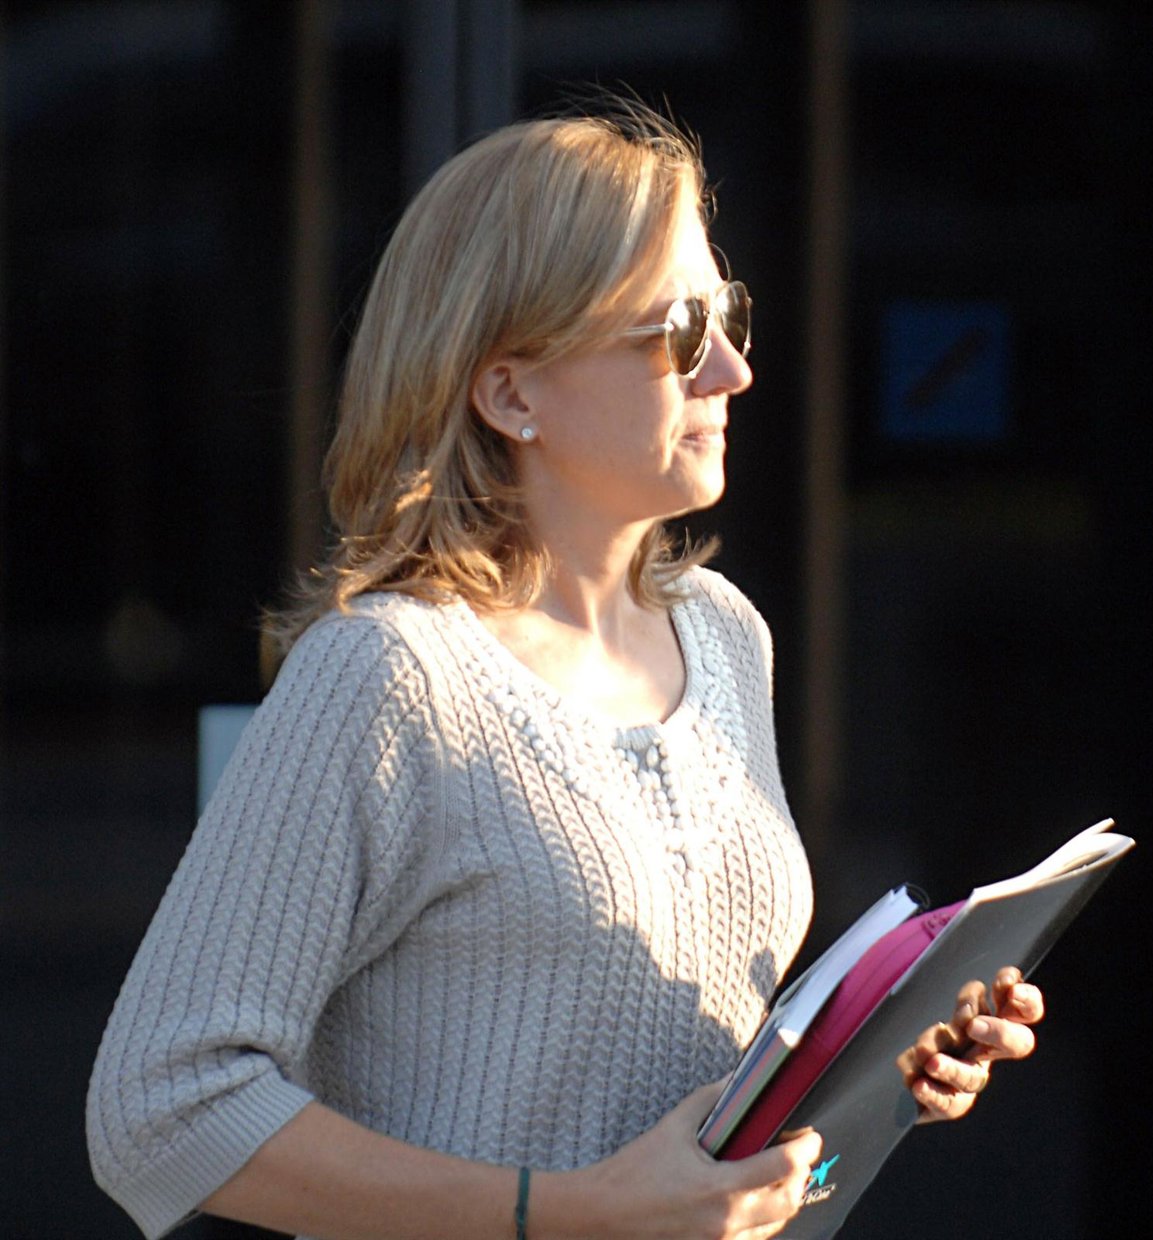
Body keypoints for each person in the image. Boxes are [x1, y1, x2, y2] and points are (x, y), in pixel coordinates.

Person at [86, 101, 1044, 1240]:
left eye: (728, 315)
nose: (732, 369)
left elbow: (670, 1091)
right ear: (510, 393)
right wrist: (567, 1213)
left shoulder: (723, 635)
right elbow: (162, 1107)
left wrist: (881, 1067)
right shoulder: (388, 673)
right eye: (680, 330)